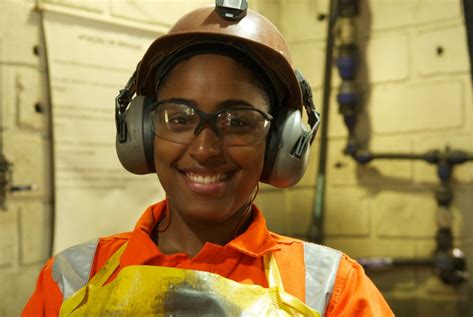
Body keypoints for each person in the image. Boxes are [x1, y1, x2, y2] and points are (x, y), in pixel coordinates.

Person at [23, 2, 394, 316]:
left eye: (238, 122)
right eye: (180, 118)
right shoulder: (70, 281)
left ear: (281, 142)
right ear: (141, 132)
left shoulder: (336, 292)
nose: (204, 149)